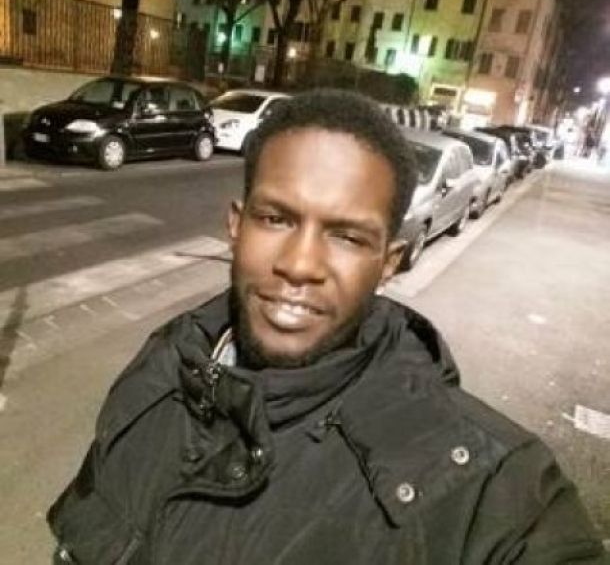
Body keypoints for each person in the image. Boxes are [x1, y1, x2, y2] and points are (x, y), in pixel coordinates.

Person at [48, 90, 606, 564]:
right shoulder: (163, 368)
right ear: (236, 226)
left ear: (388, 263)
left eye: (347, 237)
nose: (300, 265)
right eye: (276, 219)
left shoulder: (492, 486)